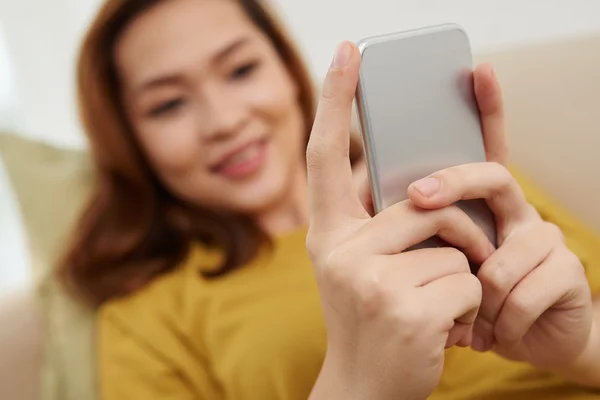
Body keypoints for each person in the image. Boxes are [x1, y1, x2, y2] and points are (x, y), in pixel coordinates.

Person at [58, 0, 600, 398]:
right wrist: (359, 383)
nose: (224, 121)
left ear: (289, 73)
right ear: (131, 141)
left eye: (242, 70)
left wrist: (576, 349)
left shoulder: (454, 182)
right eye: (169, 105)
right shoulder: (147, 314)